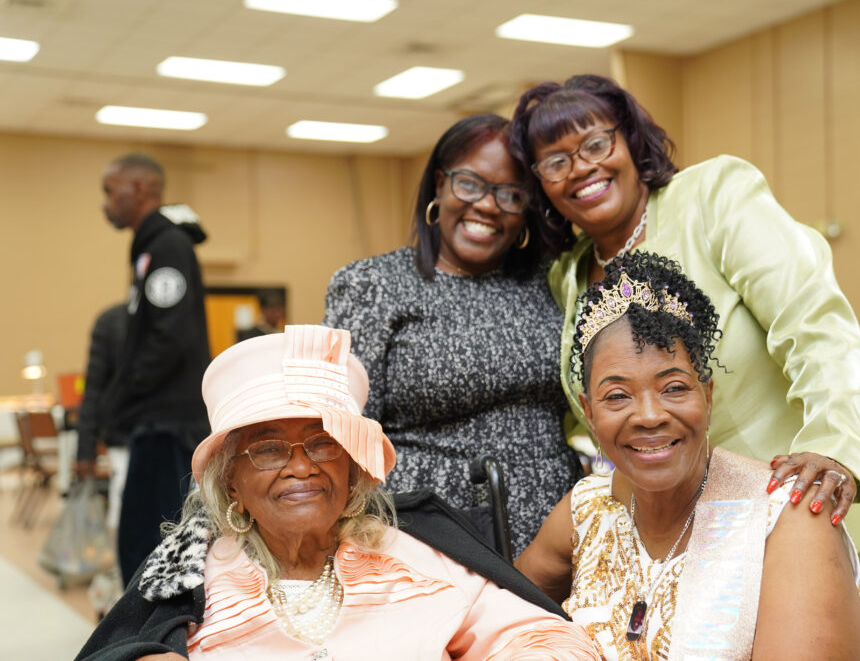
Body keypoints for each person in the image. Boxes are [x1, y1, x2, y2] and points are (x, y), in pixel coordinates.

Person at [509, 74, 860, 658]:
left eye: (596, 144)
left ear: (630, 141)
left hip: (815, 514)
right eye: (553, 161)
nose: (579, 168)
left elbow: (815, 321)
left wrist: (833, 446)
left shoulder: (711, 198)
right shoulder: (571, 275)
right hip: (697, 557)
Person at [75, 325, 599, 660]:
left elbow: (540, 635)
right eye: (270, 449)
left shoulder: (420, 554)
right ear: (230, 478)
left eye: (324, 445)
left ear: (352, 466)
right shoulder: (191, 579)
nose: (301, 466)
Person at [516, 252, 860, 658]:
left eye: (674, 388)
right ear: (590, 414)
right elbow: (497, 617)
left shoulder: (787, 520)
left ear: (708, 396)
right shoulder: (587, 510)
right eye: (617, 396)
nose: (649, 416)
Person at [323, 114, 582, 556]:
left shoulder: (554, 280)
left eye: (510, 194)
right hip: (428, 540)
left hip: (559, 537)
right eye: (470, 184)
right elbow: (346, 433)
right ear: (439, 187)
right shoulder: (373, 284)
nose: (487, 204)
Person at [100, 153, 211, 587]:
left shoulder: (167, 246)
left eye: (110, 191)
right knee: (137, 541)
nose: (105, 202)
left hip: (169, 425)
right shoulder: (150, 248)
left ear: (140, 189)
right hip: (153, 420)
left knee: (158, 545)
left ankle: (157, 639)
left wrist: (123, 397)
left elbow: (169, 338)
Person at [74, 301, 130, 530]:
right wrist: (85, 451)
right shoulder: (112, 322)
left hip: (171, 439)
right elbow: (94, 389)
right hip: (124, 437)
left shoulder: (178, 319)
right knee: (125, 508)